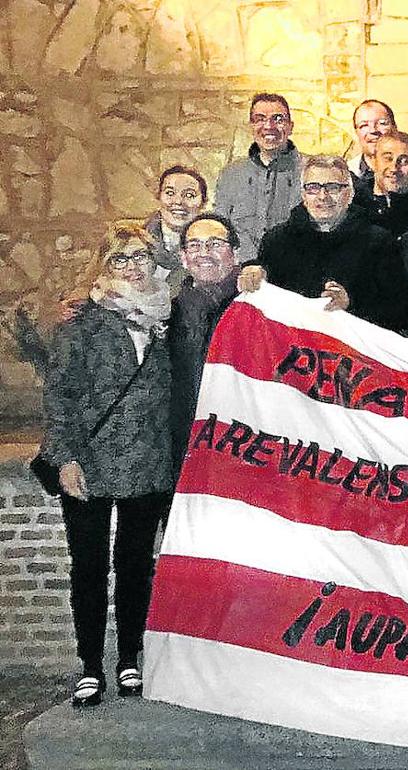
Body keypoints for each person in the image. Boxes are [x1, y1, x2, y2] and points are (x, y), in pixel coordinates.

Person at [41, 221, 174, 708]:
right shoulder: (82, 323)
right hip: (91, 462)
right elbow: (59, 396)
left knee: (137, 566)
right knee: (90, 567)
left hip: (148, 463)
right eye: (120, 258)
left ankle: (130, 659)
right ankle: (92, 664)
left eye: (140, 256)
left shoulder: (167, 315)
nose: (132, 267)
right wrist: (66, 457)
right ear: (104, 265)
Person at [238, 155, 408, 332]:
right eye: (313, 188)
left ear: (349, 194)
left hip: (352, 350)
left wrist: (351, 303)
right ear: (303, 195)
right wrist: (253, 272)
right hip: (292, 349)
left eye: (333, 187)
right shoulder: (276, 241)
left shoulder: (379, 242)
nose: (323, 196)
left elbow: (402, 313)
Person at [169, 213, 242, 473]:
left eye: (215, 244)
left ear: (235, 254)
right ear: (183, 258)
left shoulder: (259, 311)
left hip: (241, 446)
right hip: (183, 448)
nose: (204, 253)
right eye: (195, 245)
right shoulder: (167, 316)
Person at [213, 92, 302, 262]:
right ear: (251, 126)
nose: (269, 126)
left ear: (290, 127)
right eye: (260, 119)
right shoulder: (230, 175)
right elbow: (220, 228)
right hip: (242, 274)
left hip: (294, 272)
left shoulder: (309, 171)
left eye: (278, 119)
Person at [144, 165, 206, 292]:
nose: (178, 202)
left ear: (203, 202)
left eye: (189, 195)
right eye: (170, 193)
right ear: (159, 196)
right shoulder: (136, 241)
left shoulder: (213, 249)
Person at [359, 131, 408, 237]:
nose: (394, 168)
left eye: (404, 161)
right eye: (388, 158)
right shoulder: (355, 206)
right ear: (374, 161)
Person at [347, 99, 398, 197]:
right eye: (364, 125)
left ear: (394, 128)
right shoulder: (344, 175)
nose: (373, 130)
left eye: (382, 123)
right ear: (356, 133)